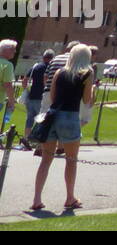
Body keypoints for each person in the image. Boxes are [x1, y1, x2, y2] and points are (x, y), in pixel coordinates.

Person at [30, 43, 95, 212]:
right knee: (71, 161)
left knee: (46, 160)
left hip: (53, 116)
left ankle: (37, 198)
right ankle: (70, 197)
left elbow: (52, 96)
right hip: (70, 116)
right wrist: (92, 89)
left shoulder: (59, 72)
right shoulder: (88, 74)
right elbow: (87, 101)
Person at [21, 49, 54, 149]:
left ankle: (26, 138)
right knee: (41, 119)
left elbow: (25, 80)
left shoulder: (36, 66)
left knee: (29, 119)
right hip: (42, 97)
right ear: (52, 58)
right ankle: (38, 142)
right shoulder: (51, 68)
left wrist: (26, 88)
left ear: (44, 57)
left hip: (32, 96)